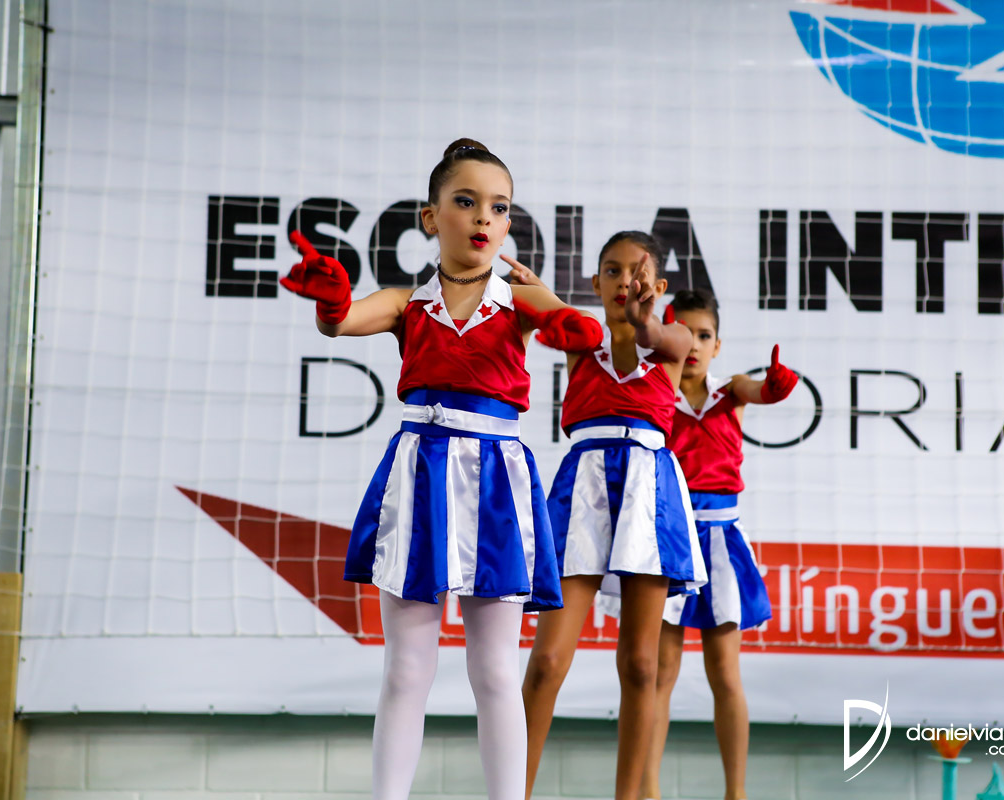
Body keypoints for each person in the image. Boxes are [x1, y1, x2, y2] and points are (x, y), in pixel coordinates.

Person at [280, 138, 601, 800]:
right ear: (430, 217)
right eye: (466, 201)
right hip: (420, 474)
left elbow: (583, 334)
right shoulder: (406, 302)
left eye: (500, 207)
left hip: (497, 482)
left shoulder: (518, 300)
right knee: (406, 671)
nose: (484, 217)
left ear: (508, 224)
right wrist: (331, 301)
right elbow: (340, 324)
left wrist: (554, 307)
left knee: (494, 672)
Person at [517, 231, 707, 800]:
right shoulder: (582, 340)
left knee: (641, 664)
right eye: (612, 270)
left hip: (650, 487)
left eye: (637, 271)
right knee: (547, 661)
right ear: (596, 282)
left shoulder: (673, 340)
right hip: (584, 485)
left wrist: (646, 320)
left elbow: (653, 333)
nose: (625, 280)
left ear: (658, 285)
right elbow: (546, 310)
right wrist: (536, 292)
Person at [636, 287, 798, 800]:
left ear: (717, 345)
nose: (694, 344)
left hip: (722, 542)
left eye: (704, 335)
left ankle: (736, 793)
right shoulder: (653, 392)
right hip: (670, 541)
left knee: (725, 673)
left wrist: (775, 386)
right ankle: (648, 789)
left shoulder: (731, 392)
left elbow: (759, 391)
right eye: (684, 333)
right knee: (659, 673)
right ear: (666, 336)